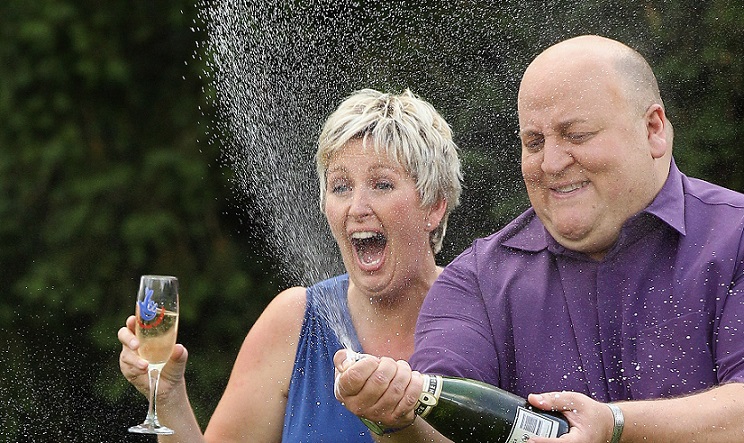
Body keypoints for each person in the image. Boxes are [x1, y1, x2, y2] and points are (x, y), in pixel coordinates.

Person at [333, 35, 744, 443]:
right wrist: (392, 418)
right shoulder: (475, 280)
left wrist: (616, 426)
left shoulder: (736, 238)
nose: (550, 162)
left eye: (576, 135)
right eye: (534, 142)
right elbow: (438, 430)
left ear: (653, 129)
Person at [118, 88, 462, 442]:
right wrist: (168, 398)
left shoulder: (486, 315)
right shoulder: (295, 321)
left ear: (434, 206)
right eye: (341, 186)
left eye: (382, 184)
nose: (357, 207)